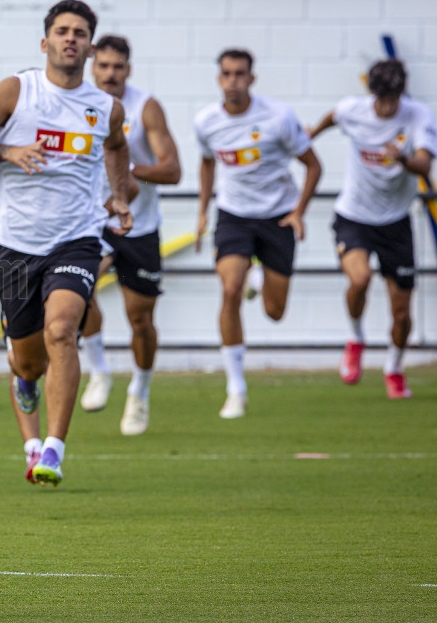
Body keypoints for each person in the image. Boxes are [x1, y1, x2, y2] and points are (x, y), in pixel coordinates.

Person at [0, 0, 132, 486]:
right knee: (27, 359)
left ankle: (52, 449)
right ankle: (25, 380)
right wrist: (8, 150)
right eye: (62, 30)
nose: (71, 38)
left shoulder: (105, 108)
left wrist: (119, 197)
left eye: (80, 32)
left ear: (90, 47)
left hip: (77, 239)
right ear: (45, 41)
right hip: (16, 244)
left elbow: (116, 148)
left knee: (62, 330)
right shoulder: (17, 91)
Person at [194, 49, 321, 419]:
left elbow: (314, 167)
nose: (233, 80)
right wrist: (203, 212)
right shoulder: (206, 122)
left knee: (274, 311)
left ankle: (261, 273)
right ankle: (236, 387)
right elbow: (206, 164)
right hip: (234, 215)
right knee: (230, 288)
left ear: (252, 78)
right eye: (227, 74)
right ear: (219, 79)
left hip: (277, 217)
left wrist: (299, 212)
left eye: (240, 74)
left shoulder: (278, 117)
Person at [309, 59, 436, 399]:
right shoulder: (353, 110)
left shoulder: (418, 115)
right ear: (371, 93)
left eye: (393, 98)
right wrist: (311, 133)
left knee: (401, 311)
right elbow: (333, 116)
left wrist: (404, 160)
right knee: (360, 278)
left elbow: (424, 163)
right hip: (354, 216)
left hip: (396, 222)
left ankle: (394, 368)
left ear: (402, 93)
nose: (387, 106)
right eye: (382, 99)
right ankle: (355, 338)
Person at [77, 35, 181, 435]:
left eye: (117, 66)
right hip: (93, 222)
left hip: (139, 226)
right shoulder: (77, 101)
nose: (110, 74)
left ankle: (140, 392)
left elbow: (172, 170)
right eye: (102, 65)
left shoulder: (145, 107)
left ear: (129, 69)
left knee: (140, 319)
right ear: (92, 66)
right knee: (77, 291)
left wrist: (126, 171)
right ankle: (100, 369)